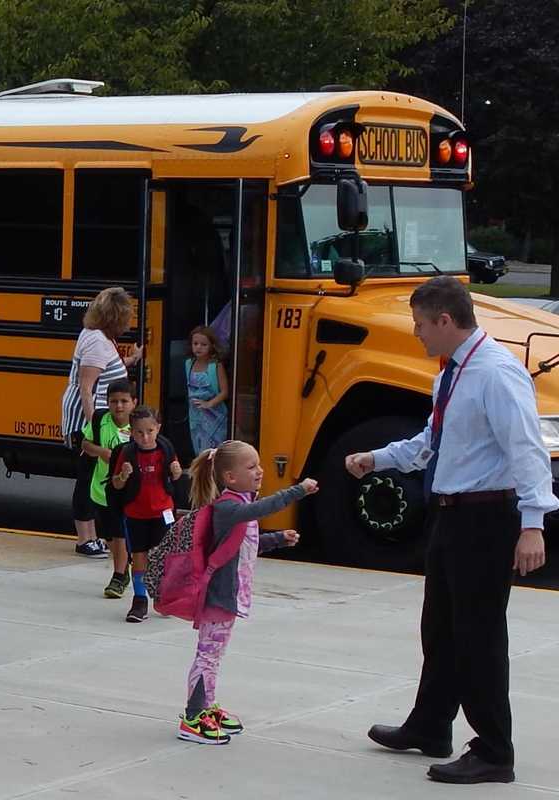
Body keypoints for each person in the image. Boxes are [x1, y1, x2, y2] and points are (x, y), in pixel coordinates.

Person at [345, 276, 559, 785]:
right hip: (451, 513)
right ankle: (431, 724)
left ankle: (493, 750)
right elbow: (434, 440)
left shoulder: (497, 374)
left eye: (421, 325)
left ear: (446, 320)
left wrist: (533, 525)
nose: (416, 334)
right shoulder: (452, 374)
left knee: (478, 636)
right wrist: (380, 458)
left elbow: (526, 451)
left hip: (485, 517)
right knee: (440, 628)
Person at [177, 440, 319, 745]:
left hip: (230, 597)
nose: (260, 471)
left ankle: (206, 706)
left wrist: (278, 539)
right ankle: (192, 717)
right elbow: (264, 507)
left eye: (259, 464)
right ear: (230, 477)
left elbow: (245, 547)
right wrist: (298, 490)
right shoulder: (230, 507)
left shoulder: (239, 507)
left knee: (214, 656)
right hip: (218, 596)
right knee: (207, 657)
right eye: (251, 466)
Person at [61, 287, 142, 557]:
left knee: (93, 476)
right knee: (87, 477)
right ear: (115, 317)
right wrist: (93, 430)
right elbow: (87, 388)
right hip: (88, 420)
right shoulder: (97, 342)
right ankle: (85, 540)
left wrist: (132, 359)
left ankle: (92, 536)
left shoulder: (98, 337)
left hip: (94, 418)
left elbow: (108, 369)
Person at [110, 406, 182, 623]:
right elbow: (116, 484)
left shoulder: (165, 449)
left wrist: (177, 472)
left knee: (161, 557)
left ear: (158, 428)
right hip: (135, 514)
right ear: (132, 432)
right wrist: (123, 475)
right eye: (139, 432)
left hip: (162, 512)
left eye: (150, 431)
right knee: (139, 557)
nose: (145, 437)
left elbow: (174, 475)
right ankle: (140, 601)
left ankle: (164, 595)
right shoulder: (127, 453)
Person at [81, 379, 137, 598]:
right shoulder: (100, 420)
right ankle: (124, 569)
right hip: (102, 489)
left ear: (134, 402)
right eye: (114, 401)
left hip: (125, 491)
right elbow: (86, 444)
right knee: (111, 537)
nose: (119, 406)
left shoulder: (138, 427)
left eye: (124, 401)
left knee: (119, 532)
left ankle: (119, 575)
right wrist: (100, 452)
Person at [185, 326, 228, 455]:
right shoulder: (189, 364)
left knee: (213, 452)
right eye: (195, 344)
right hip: (195, 416)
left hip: (214, 416)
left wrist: (209, 404)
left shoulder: (215, 366)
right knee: (198, 449)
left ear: (211, 346)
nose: (198, 347)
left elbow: (225, 391)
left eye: (204, 344)